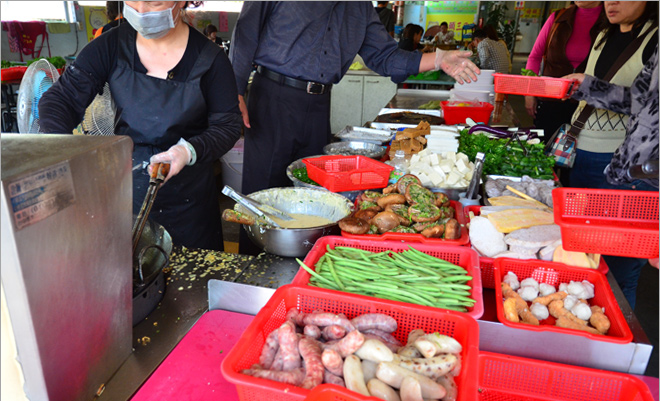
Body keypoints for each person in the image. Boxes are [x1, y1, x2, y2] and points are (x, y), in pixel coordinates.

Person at [229, 1, 478, 253]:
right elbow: (246, 32)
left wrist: (439, 58)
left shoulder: (359, 7)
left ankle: (305, 274)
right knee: (260, 195)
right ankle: (248, 278)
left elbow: (385, 57)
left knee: (316, 197)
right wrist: (235, 91)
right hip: (272, 97)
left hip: (319, 104)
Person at [39, 1, 243, 251]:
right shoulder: (110, 46)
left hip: (190, 206)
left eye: (154, 1)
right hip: (127, 198)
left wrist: (187, 151)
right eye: (132, 1)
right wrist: (63, 158)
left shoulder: (211, 59)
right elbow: (60, 100)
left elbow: (227, 125)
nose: (141, 11)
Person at [564, 44, 658, 309]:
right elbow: (640, 100)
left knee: (620, 275)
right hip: (628, 173)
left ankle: (621, 339)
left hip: (650, 183)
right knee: (602, 265)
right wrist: (588, 85)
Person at [567, 1, 657, 190]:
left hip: (616, 153)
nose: (611, 2)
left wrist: (589, 87)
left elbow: (645, 102)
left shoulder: (653, 38)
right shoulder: (603, 33)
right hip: (578, 144)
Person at [524, 2, 604, 141]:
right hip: (551, 101)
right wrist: (529, 92)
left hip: (589, 104)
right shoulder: (558, 18)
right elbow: (535, 57)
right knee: (544, 149)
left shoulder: (611, 22)